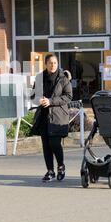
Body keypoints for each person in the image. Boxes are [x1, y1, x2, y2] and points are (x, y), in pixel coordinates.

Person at [31, 54, 73, 182]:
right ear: (46, 64)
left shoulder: (63, 78)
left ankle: (61, 166)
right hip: (43, 115)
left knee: (55, 143)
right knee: (46, 145)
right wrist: (39, 99)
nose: (53, 65)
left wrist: (51, 101)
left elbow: (68, 96)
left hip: (58, 116)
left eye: (55, 63)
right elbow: (33, 96)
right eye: (50, 63)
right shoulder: (39, 77)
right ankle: (50, 171)